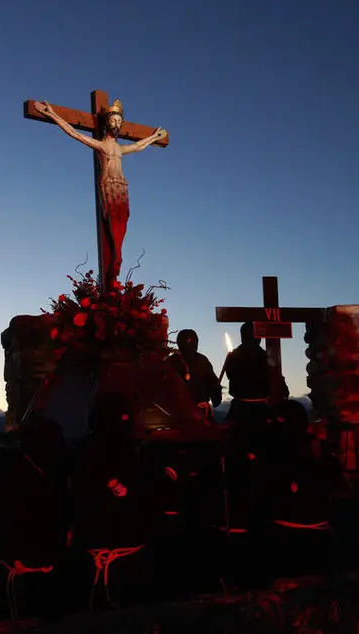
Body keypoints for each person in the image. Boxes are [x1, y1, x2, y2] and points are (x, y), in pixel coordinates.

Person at [33, 98, 168, 285]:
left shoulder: (120, 148)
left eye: (120, 121)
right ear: (107, 123)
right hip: (109, 184)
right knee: (112, 218)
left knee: (124, 218)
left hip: (122, 184)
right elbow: (74, 133)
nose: (117, 124)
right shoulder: (100, 145)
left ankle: (118, 253)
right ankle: (117, 256)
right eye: (114, 120)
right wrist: (52, 114)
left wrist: (155, 137)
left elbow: (138, 146)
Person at [222, 322, 284, 430]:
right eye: (248, 336)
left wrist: (281, 388)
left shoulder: (265, 356)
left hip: (262, 409)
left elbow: (275, 376)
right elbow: (230, 374)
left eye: (254, 336)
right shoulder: (235, 356)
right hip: (240, 409)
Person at [167, 329, 222, 419]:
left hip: (182, 416)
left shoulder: (170, 362)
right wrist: (216, 390)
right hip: (184, 416)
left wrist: (216, 389)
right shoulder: (203, 360)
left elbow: (213, 386)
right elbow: (214, 392)